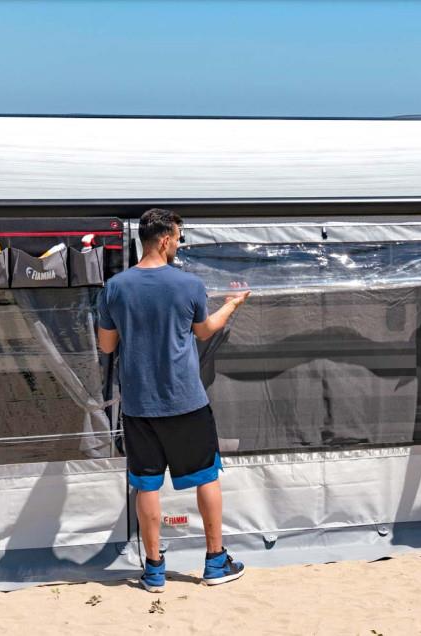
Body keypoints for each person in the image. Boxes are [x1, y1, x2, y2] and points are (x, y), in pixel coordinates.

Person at [97, 208, 251, 592]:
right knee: (206, 478)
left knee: (147, 486)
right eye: (179, 239)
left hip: (139, 406)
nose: (179, 245)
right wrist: (233, 304)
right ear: (165, 239)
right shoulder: (189, 285)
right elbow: (205, 331)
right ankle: (215, 562)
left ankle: (153, 571)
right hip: (186, 402)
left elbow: (106, 345)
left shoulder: (115, 288)